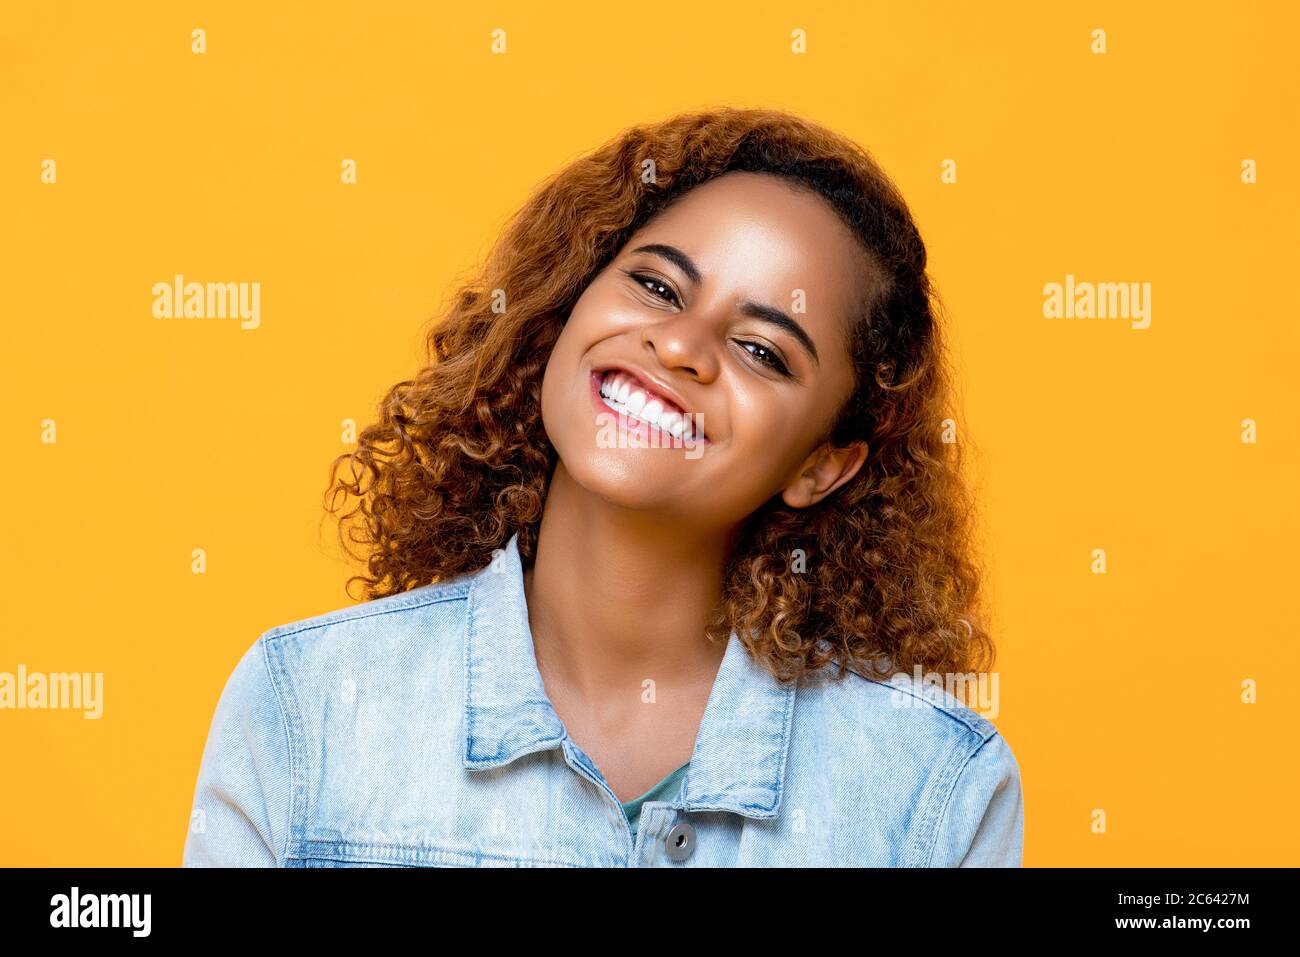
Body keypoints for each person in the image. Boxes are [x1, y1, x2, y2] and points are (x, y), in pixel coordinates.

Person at [183, 107, 1024, 867]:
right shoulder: (305, 705)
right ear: (568, 302)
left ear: (821, 463)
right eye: (657, 287)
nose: (682, 346)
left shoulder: (937, 788)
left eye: (763, 351)